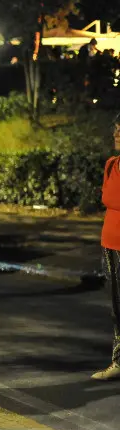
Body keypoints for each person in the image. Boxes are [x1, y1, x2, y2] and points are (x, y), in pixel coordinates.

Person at [92, 116, 120, 381]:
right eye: (116, 129)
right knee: (117, 305)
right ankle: (118, 361)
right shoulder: (111, 165)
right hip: (110, 243)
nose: (116, 134)